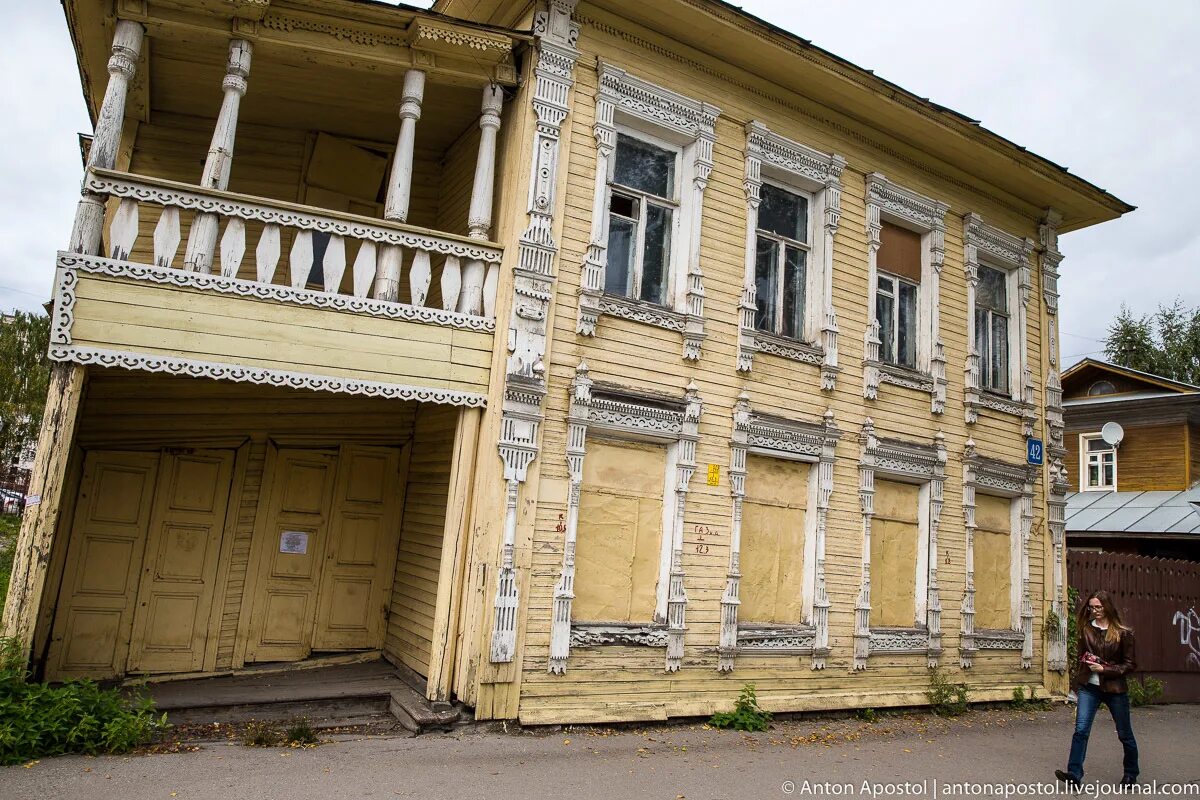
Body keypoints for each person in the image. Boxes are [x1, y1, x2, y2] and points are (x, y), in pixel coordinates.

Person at [1055, 590, 1139, 788]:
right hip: (1089, 688)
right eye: (1092, 607)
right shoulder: (1086, 629)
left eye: (1098, 607)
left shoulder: (1122, 633)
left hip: (1115, 689)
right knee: (1081, 731)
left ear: (1107, 607)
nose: (1095, 611)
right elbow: (1081, 655)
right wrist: (1083, 668)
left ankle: (1130, 774)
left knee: (1124, 733)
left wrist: (1105, 669)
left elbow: (1130, 664)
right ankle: (1074, 774)